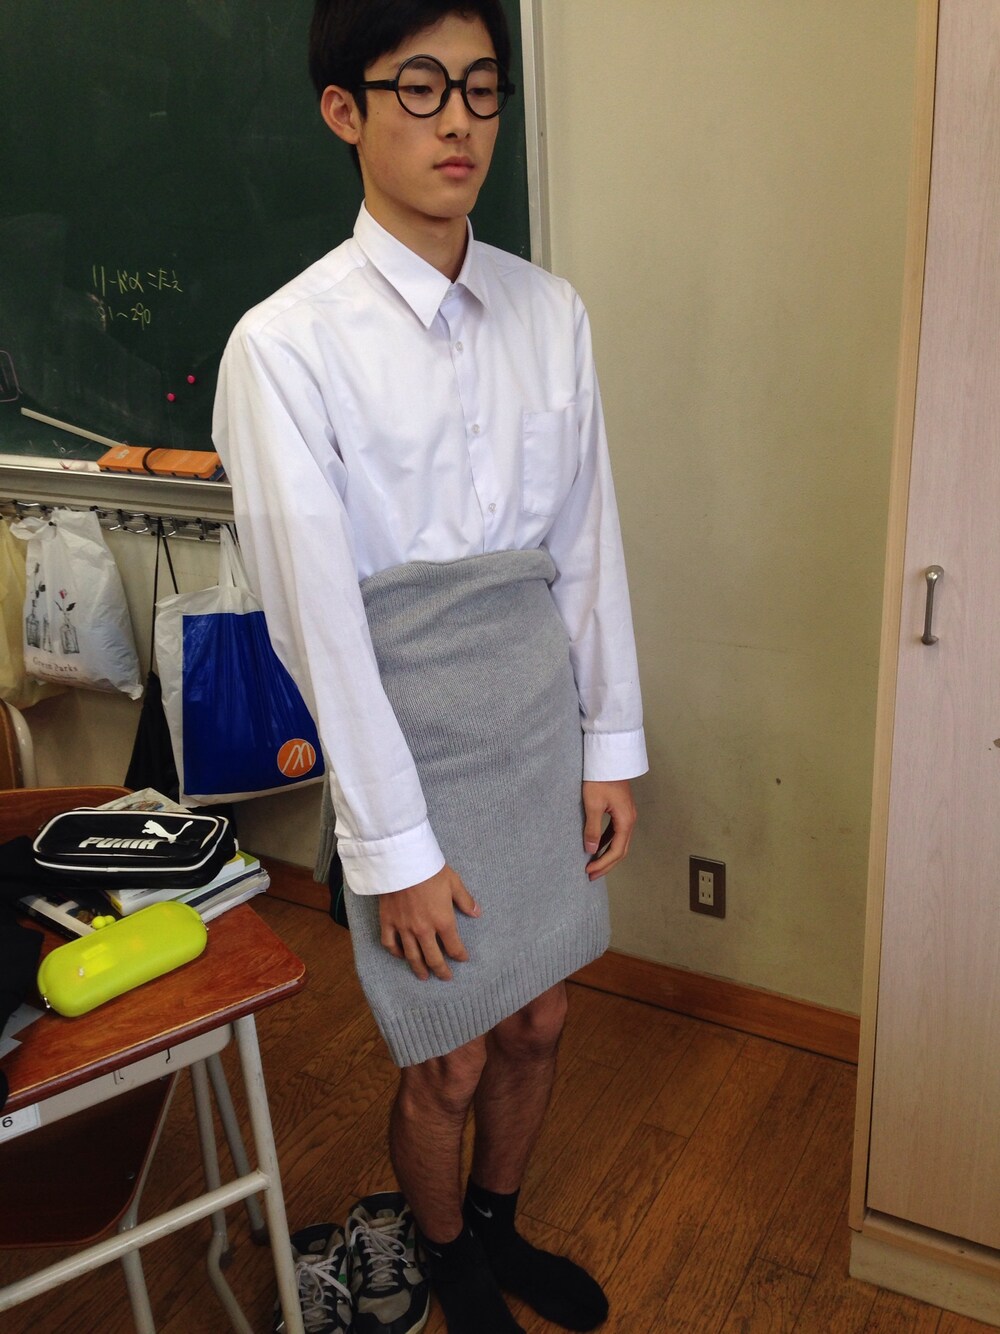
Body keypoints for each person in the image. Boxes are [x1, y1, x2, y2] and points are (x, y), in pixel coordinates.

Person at [214, 2, 647, 1331]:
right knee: (449, 1056)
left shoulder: (549, 310)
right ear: (345, 110)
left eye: (481, 86)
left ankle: (499, 1227)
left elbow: (585, 544)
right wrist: (393, 849)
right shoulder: (285, 345)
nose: (458, 120)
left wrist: (609, 743)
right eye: (419, 87)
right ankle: (448, 1253)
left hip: (534, 723)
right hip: (406, 745)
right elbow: (317, 626)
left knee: (541, 1019)